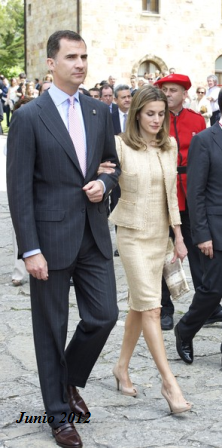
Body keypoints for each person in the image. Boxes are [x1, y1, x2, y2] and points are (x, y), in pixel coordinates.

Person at [7, 30, 120, 448]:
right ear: (51, 63)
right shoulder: (29, 116)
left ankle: (69, 379)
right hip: (49, 243)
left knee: (104, 315)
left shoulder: (98, 111)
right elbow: (18, 189)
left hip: (92, 235)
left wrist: (105, 185)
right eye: (71, 56)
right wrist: (29, 249)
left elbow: (113, 170)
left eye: (84, 56)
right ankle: (58, 416)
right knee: (51, 330)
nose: (80, 64)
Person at [99, 85, 191, 414]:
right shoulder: (119, 146)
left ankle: (121, 367)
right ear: (136, 112)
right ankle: (170, 383)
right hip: (132, 236)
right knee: (152, 308)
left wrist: (178, 236)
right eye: (150, 113)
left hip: (159, 237)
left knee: (140, 307)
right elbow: (106, 181)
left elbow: (171, 196)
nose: (156, 120)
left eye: (161, 114)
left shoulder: (169, 146)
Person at [154, 74, 222, 330]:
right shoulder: (155, 119)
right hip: (163, 192)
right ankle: (164, 308)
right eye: (165, 90)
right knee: (163, 252)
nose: (169, 94)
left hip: (190, 193)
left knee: (200, 251)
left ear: (185, 94)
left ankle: (207, 304)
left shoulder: (196, 120)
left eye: (174, 90)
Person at [175, 89, 222, 365]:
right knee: (211, 290)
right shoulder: (205, 140)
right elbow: (196, 191)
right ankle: (185, 329)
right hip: (215, 230)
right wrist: (201, 234)